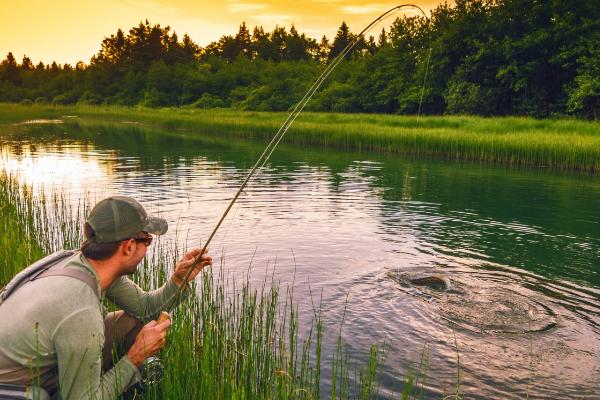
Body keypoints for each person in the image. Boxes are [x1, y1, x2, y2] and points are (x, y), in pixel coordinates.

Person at [0, 196, 212, 399]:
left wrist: (179, 280)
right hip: (15, 388)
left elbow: (146, 309)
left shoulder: (83, 263)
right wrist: (135, 357)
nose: (148, 247)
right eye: (147, 240)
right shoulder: (81, 311)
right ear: (129, 246)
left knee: (132, 323)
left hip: (38, 360)